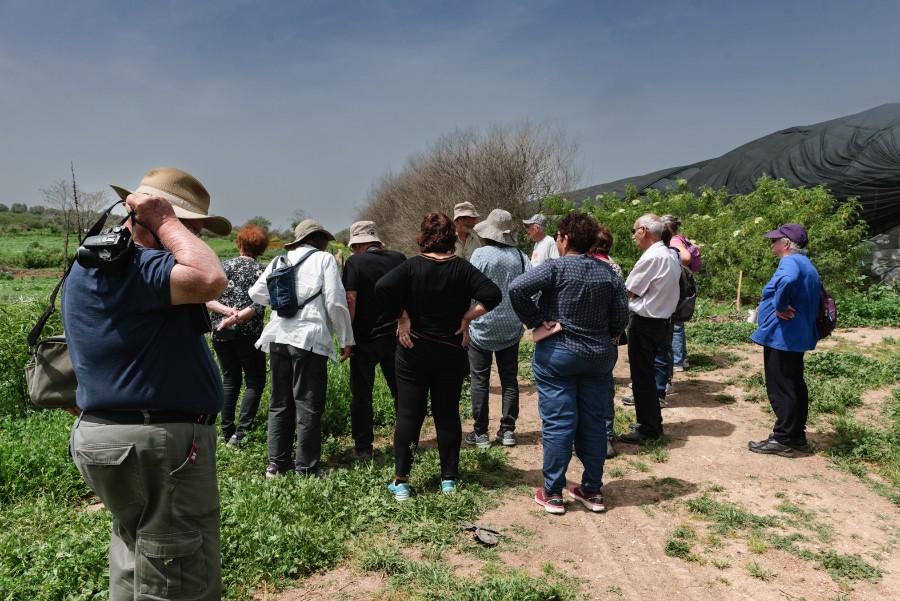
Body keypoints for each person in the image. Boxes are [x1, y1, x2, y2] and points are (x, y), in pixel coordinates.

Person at [64, 167, 231, 600]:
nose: (193, 240)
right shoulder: (140, 266)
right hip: (155, 443)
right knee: (179, 571)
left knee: (137, 552)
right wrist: (166, 221)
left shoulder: (95, 264)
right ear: (148, 218)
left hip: (110, 435)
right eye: (188, 229)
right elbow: (211, 278)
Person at [375, 212, 501, 501]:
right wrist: (467, 317)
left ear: (423, 236)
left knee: (409, 413)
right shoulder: (462, 268)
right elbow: (492, 295)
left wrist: (402, 317)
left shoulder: (411, 266)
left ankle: (402, 482)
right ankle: (448, 480)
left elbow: (382, 288)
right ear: (450, 238)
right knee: (447, 413)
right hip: (451, 350)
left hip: (412, 350)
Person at [509, 211, 628, 515]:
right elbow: (620, 319)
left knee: (559, 422)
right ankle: (592, 490)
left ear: (564, 239)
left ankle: (553, 493)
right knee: (593, 422)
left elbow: (516, 288)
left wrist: (537, 321)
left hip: (558, 354)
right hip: (598, 357)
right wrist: (605, 337)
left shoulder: (554, 268)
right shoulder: (608, 273)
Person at [249, 220, 354, 478]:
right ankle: (306, 468)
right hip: (309, 338)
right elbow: (335, 303)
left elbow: (256, 293)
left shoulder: (278, 261)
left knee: (279, 402)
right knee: (307, 403)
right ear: (319, 240)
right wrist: (346, 339)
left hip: (278, 336)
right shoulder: (325, 260)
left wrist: (284, 302)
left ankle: (276, 464)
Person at [748, 224, 821, 457]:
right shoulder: (807, 264)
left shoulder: (789, 262)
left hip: (783, 334)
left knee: (781, 385)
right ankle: (796, 435)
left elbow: (787, 281)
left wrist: (779, 306)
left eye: (775, 240)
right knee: (794, 383)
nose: (772, 244)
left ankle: (783, 439)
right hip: (797, 333)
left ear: (786, 243)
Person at [464, 209, 531, 448]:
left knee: (479, 380)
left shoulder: (481, 255)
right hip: (511, 328)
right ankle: (508, 430)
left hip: (482, 326)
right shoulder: (521, 256)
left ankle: (480, 433)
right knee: (509, 379)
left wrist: (466, 319)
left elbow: (469, 289)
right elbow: (532, 288)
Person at [341, 220, 406, 461]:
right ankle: (408, 441)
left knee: (362, 394)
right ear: (377, 241)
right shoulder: (399, 258)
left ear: (357, 244)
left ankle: (364, 448)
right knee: (401, 391)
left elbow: (351, 299)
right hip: (396, 336)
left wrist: (348, 337)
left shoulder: (355, 262)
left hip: (365, 338)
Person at [618, 214, 681, 445]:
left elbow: (629, 291)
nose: (633, 235)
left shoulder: (651, 257)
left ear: (644, 231)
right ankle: (652, 421)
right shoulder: (669, 253)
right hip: (661, 321)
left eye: (634, 231)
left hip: (645, 322)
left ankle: (649, 428)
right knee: (649, 375)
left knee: (642, 377)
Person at [206, 224, 269, 449]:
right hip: (248, 334)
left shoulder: (223, 267)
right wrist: (236, 316)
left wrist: (226, 314)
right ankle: (240, 434)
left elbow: (207, 299)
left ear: (239, 244)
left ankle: (225, 430)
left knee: (230, 379)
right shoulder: (263, 272)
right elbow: (259, 306)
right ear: (261, 249)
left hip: (220, 332)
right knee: (255, 381)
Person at [591, 224, 624, 458]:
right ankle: (605, 438)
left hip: (584, 338)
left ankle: (584, 437)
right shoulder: (616, 268)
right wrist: (612, 338)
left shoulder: (588, 265)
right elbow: (620, 310)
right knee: (605, 388)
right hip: (607, 340)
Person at [662, 214, 702, 372]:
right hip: (686, 283)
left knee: (676, 323)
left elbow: (685, 257)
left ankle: (677, 361)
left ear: (666, 228)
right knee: (679, 322)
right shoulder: (681, 238)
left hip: (681, 284)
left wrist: (671, 259)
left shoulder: (674, 241)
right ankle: (682, 359)